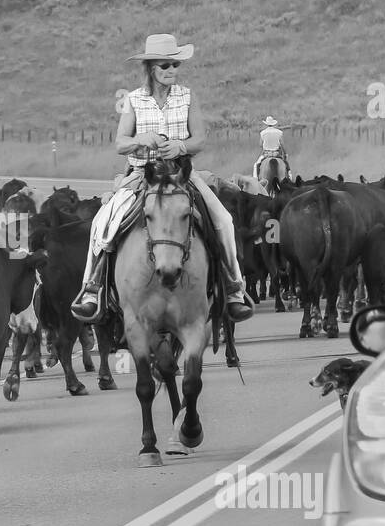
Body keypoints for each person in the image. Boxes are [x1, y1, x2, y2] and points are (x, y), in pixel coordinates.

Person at [71, 34, 254, 323]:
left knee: (224, 221)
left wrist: (181, 146)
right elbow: (120, 143)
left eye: (175, 65)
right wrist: (142, 139)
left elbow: (200, 139)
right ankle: (91, 289)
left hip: (181, 175)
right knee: (102, 221)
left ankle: (234, 289)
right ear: (150, 69)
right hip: (142, 174)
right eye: (165, 66)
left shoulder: (188, 96)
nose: (172, 71)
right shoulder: (133, 100)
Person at [253, 115, 289, 184]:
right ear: (273, 123)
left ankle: (256, 181)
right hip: (277, 154)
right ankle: (289, 177)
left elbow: (260, 145)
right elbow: (282, 144)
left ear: (266, 124)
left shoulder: (263, 133)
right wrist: (285, 153)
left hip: (266, 154)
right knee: (286, 164)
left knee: (256, 165)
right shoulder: (279, 132)